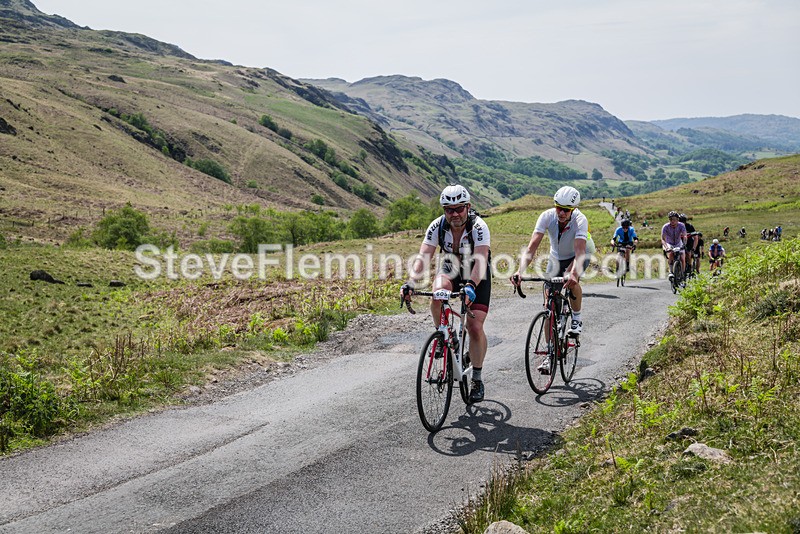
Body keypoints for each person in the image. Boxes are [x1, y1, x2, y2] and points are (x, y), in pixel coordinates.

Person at [401, 184, 491, 403]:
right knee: (437, 294)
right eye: (448, 209)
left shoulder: (479, 226)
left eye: (459, 208)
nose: (454, 214)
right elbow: (424, 257)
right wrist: (411, 282)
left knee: (475, 326)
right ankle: (443, 335)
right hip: (450, 265)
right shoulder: (437, 226)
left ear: (468, 207)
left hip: (476, 270)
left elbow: (480, 259)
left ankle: (477, 379)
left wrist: (471, 285)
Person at [511, 186, 595, 349]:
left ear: (574, 209)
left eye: (566, 210)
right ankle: (550, 351)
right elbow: (531, 248)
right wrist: (519, 271)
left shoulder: (580, 220)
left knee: (572, 279)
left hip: (580, 253)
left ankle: (576, 319)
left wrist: (573, 273)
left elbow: (579, 252)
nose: (561, 213)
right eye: (558, 208)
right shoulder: (547, 216)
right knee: (548, 305)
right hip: (556, 257)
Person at [661, 211, 687, 282]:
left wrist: (684, 244)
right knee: (671, 254)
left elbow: (684, 235)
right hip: (669, 243)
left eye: (674, 219)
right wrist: (666, 247)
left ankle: (683, 273)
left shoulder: (681, 225)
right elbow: (663, 239)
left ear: (677, 220)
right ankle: (671, 272)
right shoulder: (665, 227)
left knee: (682, 257)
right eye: (670, 219)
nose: (672, 221)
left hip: (679, 243)